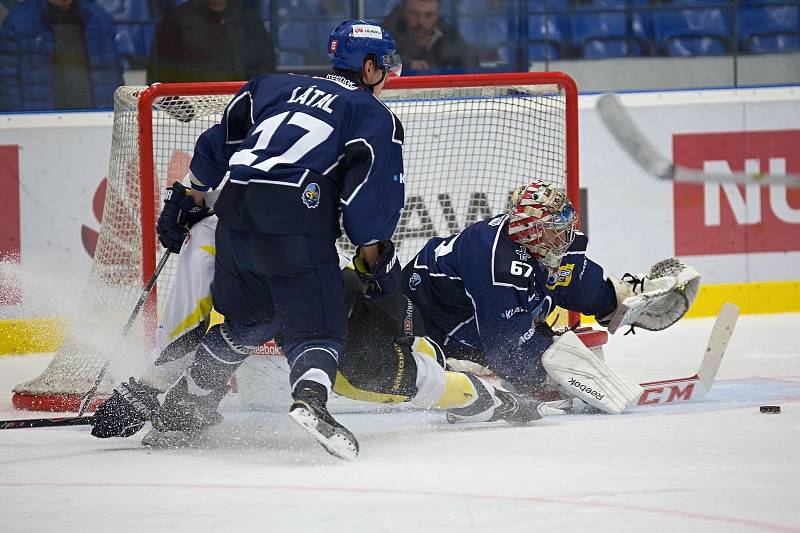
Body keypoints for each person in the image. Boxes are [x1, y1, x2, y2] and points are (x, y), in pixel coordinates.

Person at [146, 19, 404, 461]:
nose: (388, 76)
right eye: (385, 65)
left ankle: (184, 408)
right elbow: (369, 201)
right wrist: (372, 256)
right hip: (293, 222)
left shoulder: (271, 85)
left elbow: (217, 143)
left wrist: (187, 196)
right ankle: (311, 399)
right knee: (319, 329)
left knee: (249, 322)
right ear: (367, 66)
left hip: (234, 217)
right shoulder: (373, 115)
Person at [90, 208, 549, 444]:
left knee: (425, 379)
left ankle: (501, 403)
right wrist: (159, 390)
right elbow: (224, 330)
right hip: (340, 320)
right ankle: (190, 400)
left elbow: (390, 307)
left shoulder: (287, 245)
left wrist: (152, 387)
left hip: (363, 343)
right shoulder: (251, 235)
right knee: (248, 329)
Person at [402, 179, 701, 414]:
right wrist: (552, 371)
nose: (566, 234)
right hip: (423, 323)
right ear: (530, 231)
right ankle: (451, 365)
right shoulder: (498, 267)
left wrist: (617, 300)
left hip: (471, 311)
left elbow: (571, 280)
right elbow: (506, 348)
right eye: (555, 229)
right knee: (510, 355)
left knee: (557, 276)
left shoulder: (538, 244)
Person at [0, 0, 123, 111]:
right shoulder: (17, 23)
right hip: (38, 127)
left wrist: (109, 121)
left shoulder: (99, 20)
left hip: (94, 124)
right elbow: (8, 89)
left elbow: (114, 81)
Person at [146, 0, 275, 84]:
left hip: (241, 113)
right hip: (191, 120)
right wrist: (187, 119)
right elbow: (157, 80)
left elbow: (266, 71)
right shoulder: (174, 22)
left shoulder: (249, 19)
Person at [380, 0, 478, 72]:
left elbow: (469, 58)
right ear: (403, 12)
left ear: (437, 15)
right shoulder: (386, 32)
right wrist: (407, 64)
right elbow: (378, 59)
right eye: (414, 14)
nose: (421, 21)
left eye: (428, 15)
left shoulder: (447, 32)